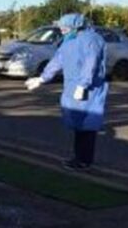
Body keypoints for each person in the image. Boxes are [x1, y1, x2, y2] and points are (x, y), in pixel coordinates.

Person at [25, 13, 109, 171]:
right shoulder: (69, 40)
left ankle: (85, 161)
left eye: (64, 27)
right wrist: (42, 78)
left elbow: (91, 63)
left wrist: (83, 85)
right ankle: (78, 158)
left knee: (88, 126)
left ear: (76, 26)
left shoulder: (92, 39)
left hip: (89, 88)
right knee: (78, 125)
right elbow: (58, 60)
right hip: (72, 86)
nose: (61, 30)